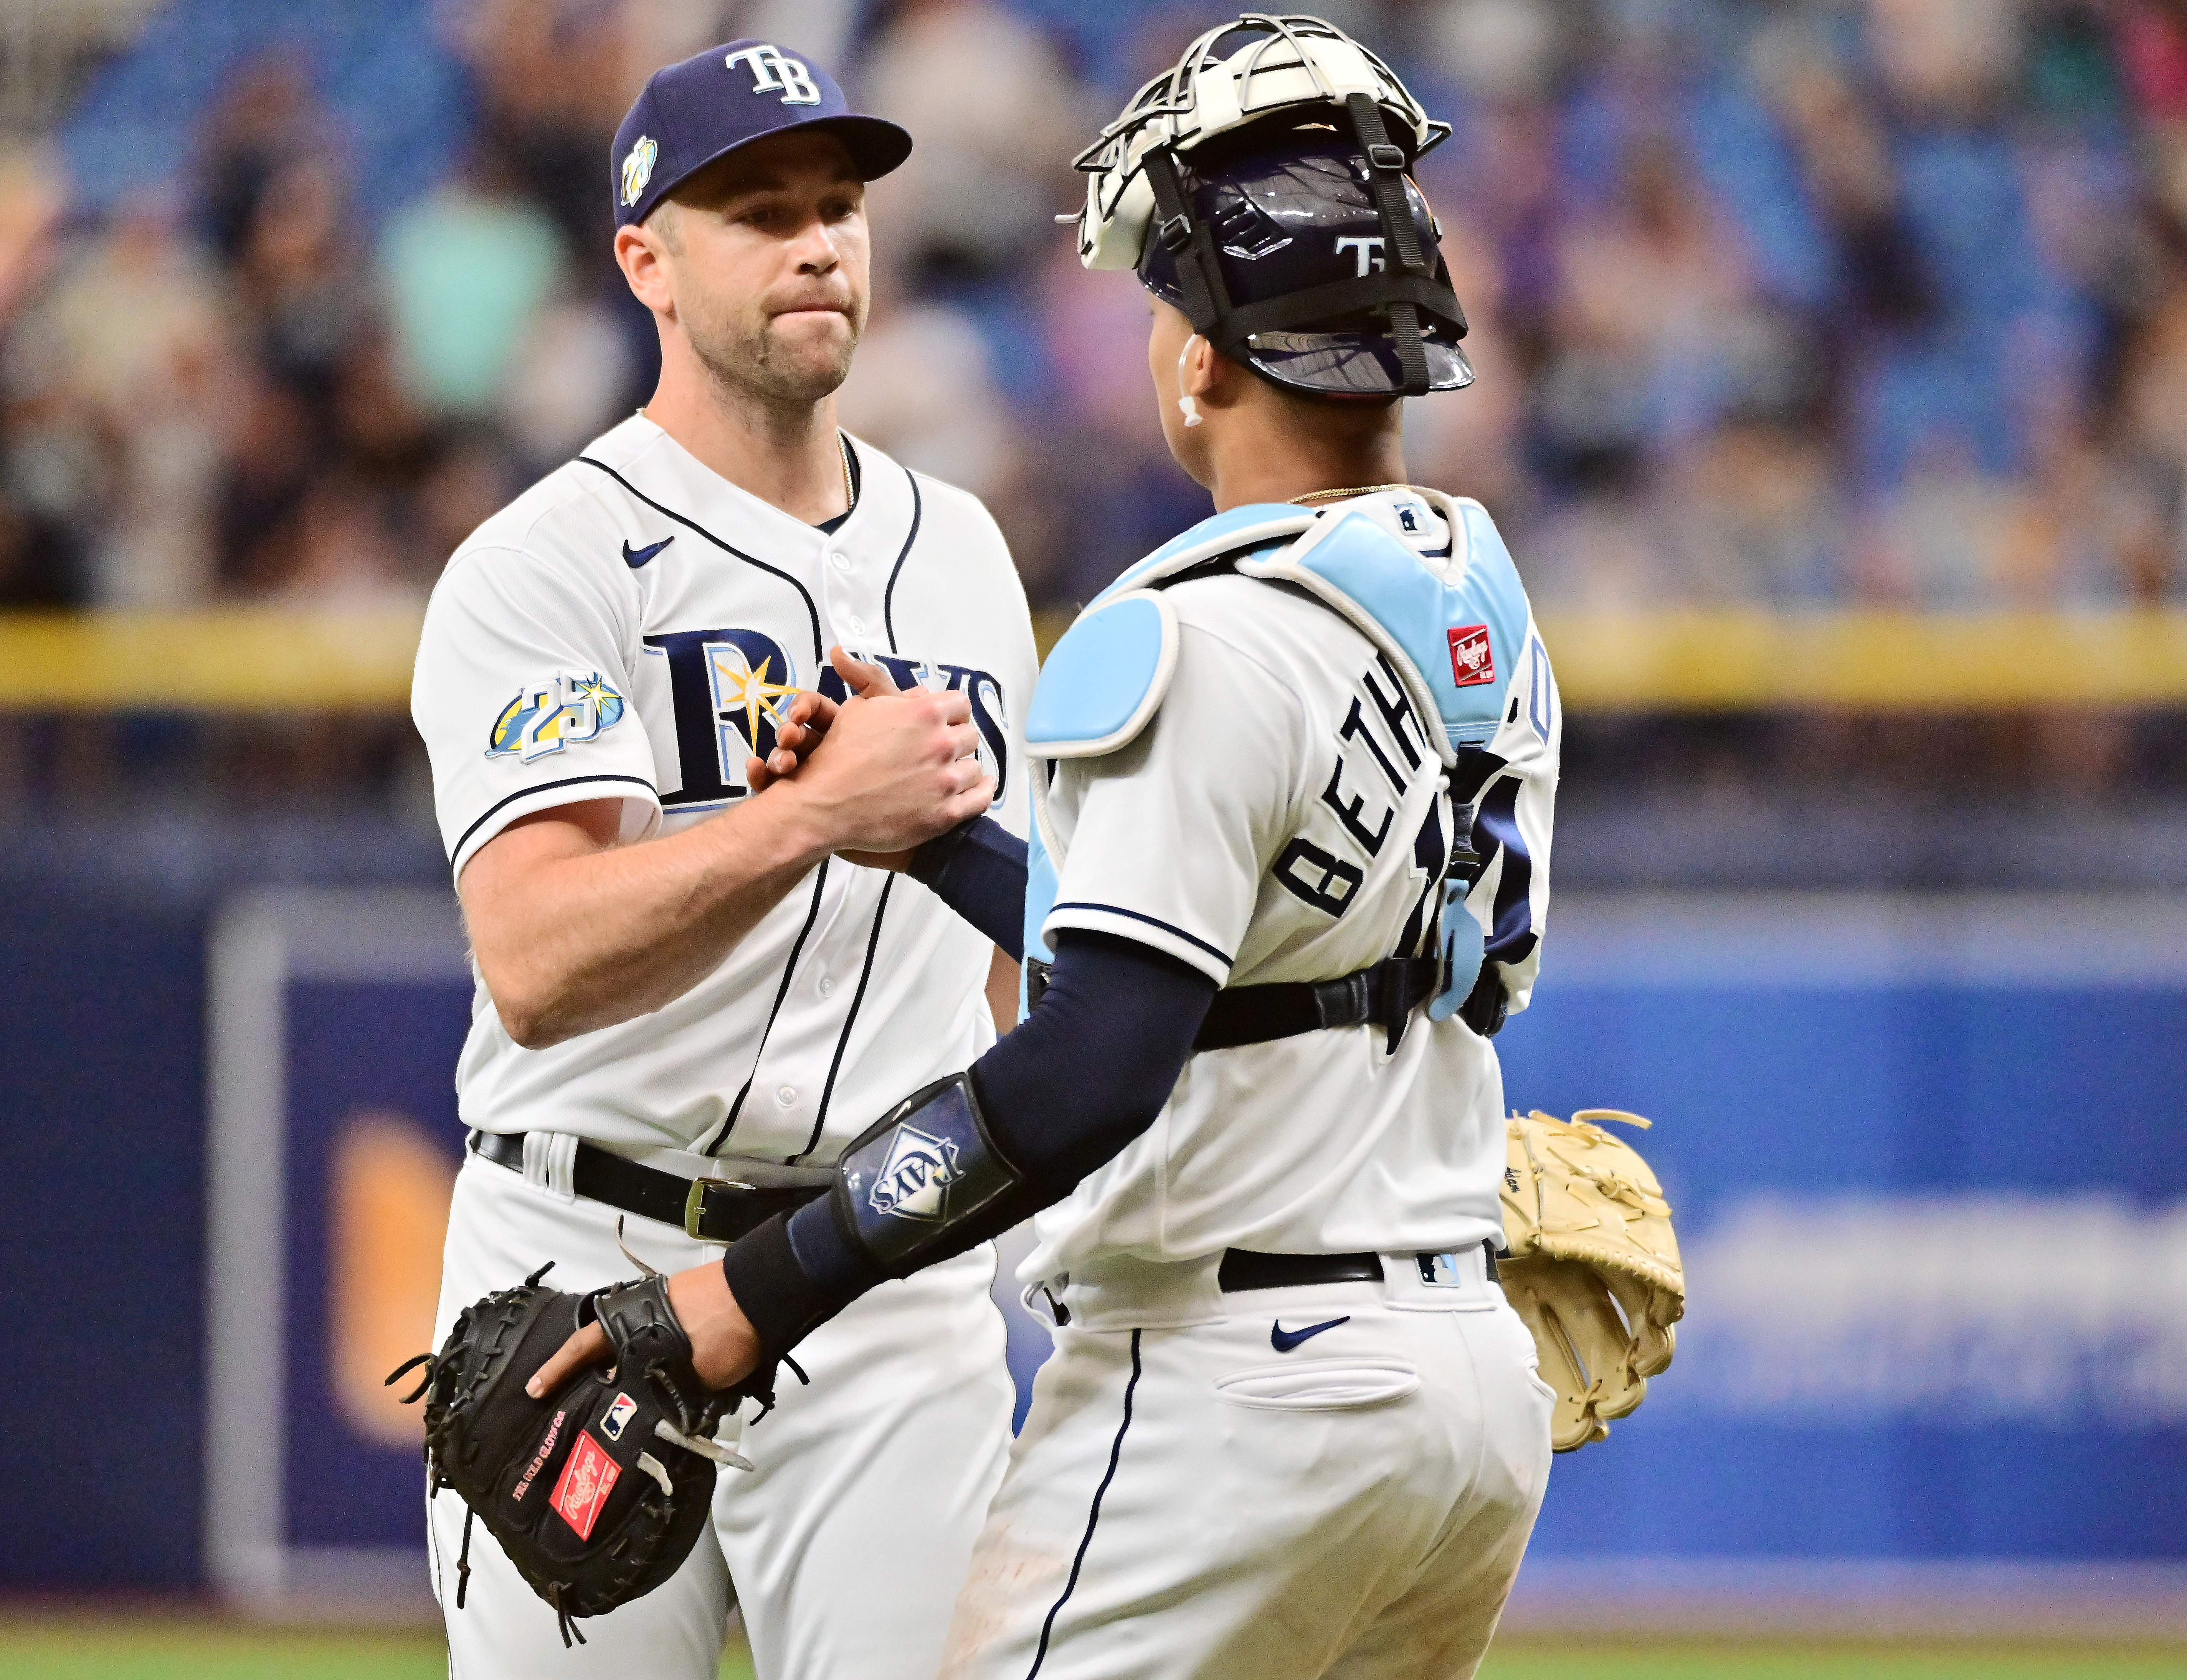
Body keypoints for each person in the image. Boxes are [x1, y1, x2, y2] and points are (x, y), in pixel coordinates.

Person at [531, 17, 1562, 1677]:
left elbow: (1090, 1070)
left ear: (1203, 359)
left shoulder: (1187, 630)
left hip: (1230, 1393)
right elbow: (1219, 964)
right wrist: (944, 840)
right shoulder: (1474, 592)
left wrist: (747, 1297)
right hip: (1454, 1392)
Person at [406, 38, 1039, 1680]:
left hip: (885, 1282)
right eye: (760, 212)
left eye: (839, 205)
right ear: (647, 262)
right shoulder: (540, 566)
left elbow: (1003, 962)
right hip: (584, 1268)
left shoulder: (963, 552)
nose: (821, 242)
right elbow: (535, 966)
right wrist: (807, 818)